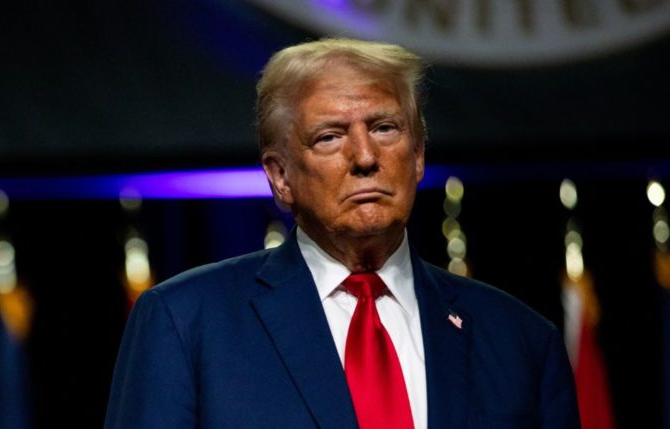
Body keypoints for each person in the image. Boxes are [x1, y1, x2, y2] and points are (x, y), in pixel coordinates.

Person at [104, 38, 579, 429]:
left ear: (418, 156)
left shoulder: (521, 339)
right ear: (281, 176)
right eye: (330, 136)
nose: (365, 157)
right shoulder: (185, 323)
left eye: (386, 128)